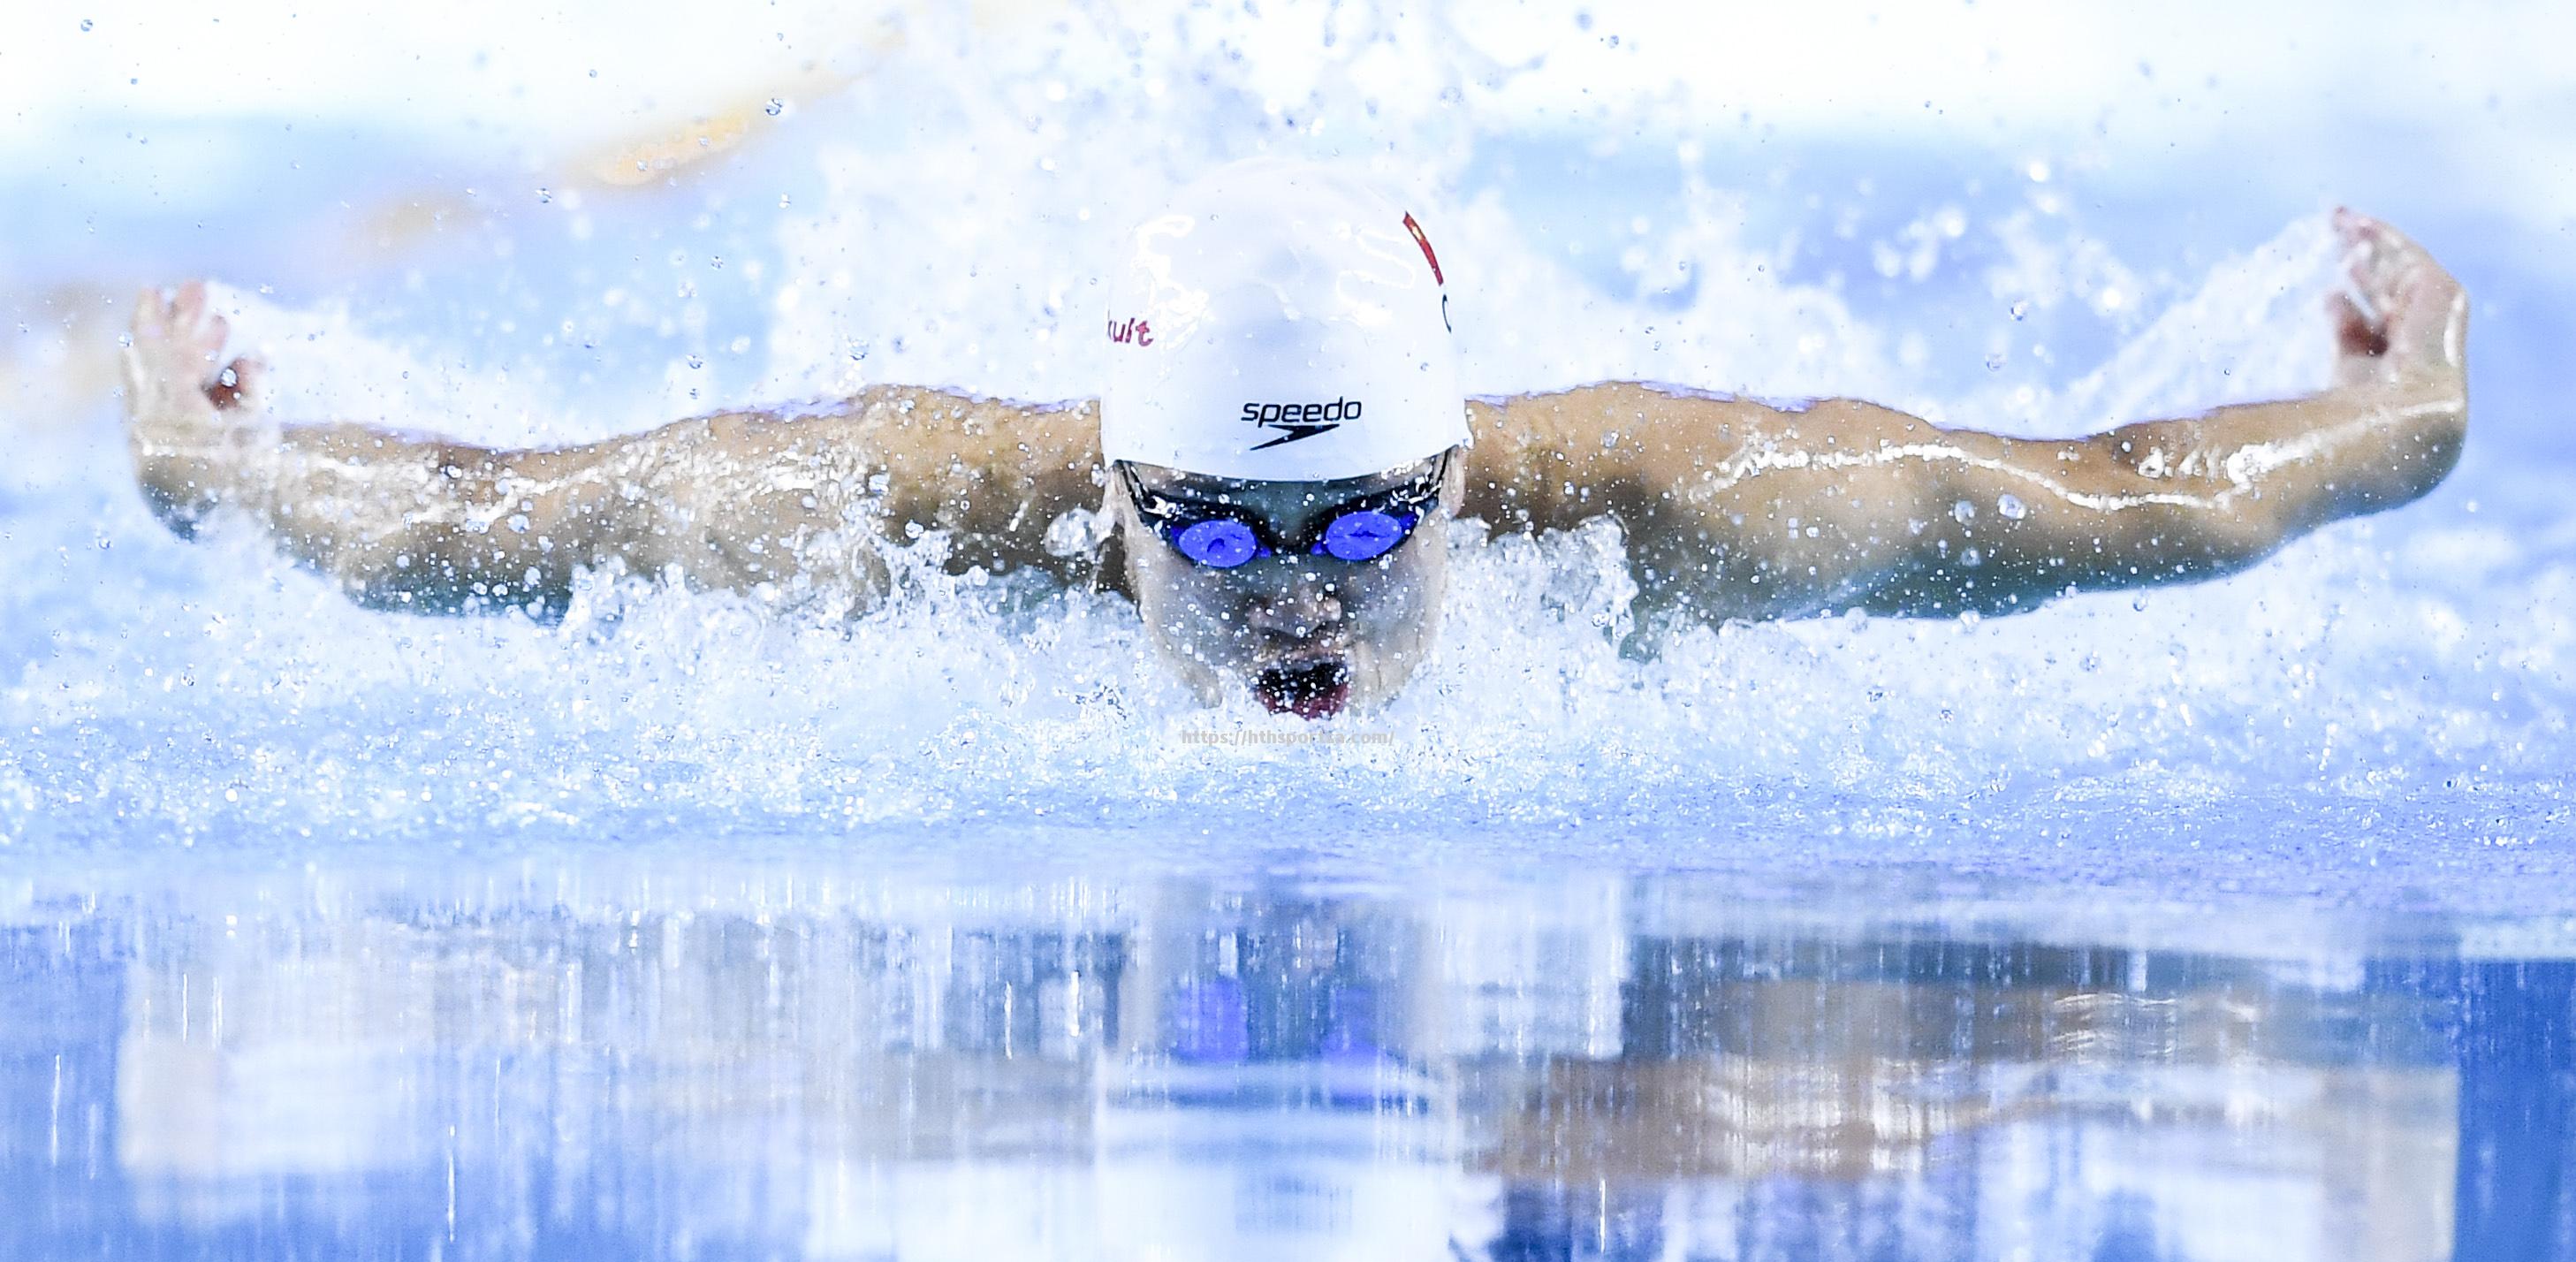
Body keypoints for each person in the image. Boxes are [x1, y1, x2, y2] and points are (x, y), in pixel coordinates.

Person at [122, 159, 2468, 718]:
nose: (1296, 590)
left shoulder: (1697, 503)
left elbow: (2127, 499)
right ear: (1109, 485)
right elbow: (489, 522)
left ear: (1462, 474)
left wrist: (2405, 418)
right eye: (1215, 530)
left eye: (1362, 511)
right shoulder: (876, 510)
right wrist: (202, 462)